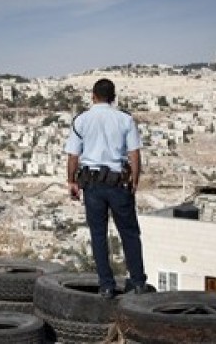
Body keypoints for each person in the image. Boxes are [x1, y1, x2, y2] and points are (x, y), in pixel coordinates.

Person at [64, 78, 148, 298]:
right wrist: (135, 181)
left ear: (93, 96)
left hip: (92, 186)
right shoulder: (125, 120)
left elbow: (73, 155)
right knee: (129, 233)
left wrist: (71, 181)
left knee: (98, 235)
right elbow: (134, 154)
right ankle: (138, 282)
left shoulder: (81, 120)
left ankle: (107, 285)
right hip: (119, 184)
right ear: (113, 97)